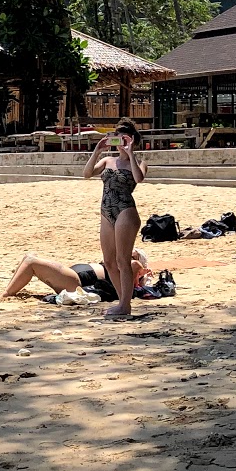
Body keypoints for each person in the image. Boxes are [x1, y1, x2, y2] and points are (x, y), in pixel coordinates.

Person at [83, 118, 147, 320]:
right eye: (117, 138)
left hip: (125, 211)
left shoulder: (139, 162)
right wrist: (97, 151)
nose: (120, 142)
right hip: (106, 211)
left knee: (122, 259)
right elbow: (86, 174)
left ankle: (124, 305)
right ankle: (122, 302)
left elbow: (139, 178)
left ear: (132, 140)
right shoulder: (107, 161)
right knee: (109, 261)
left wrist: (130, 153)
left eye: (124, 138)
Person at [1, 248, 151, 300]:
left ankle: (6, 294)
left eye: (134, 254)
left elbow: (134, 284)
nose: (128, 254)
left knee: (31, 261)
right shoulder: (116, 264)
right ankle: (8, 291)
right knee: (29, 257)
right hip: (73, 277)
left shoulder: (133, 266)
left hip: (76, 282)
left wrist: (142, 273)